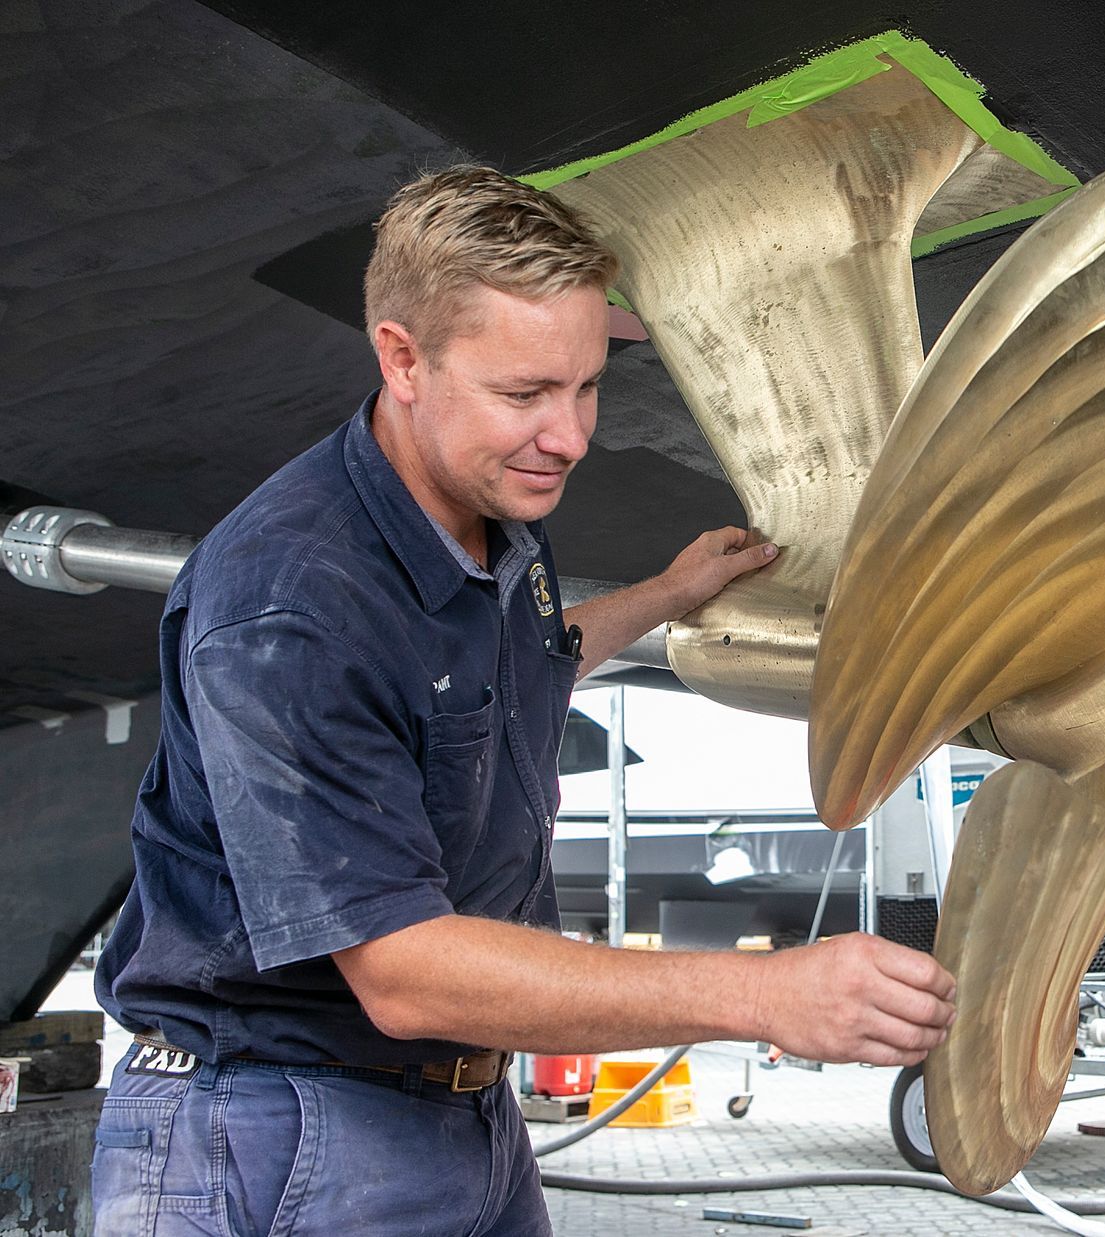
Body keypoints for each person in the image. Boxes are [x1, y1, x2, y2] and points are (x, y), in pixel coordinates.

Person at [89, 165, 957, 1235]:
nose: (572, 436)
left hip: (459, 1109)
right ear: (403, 359)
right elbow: (404, 971)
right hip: (279, 1126)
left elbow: (518, 669)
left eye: (586, 386)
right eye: (526, 394)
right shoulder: (293, 602)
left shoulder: (490, 508)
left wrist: (669, 593)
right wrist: (767, 994)